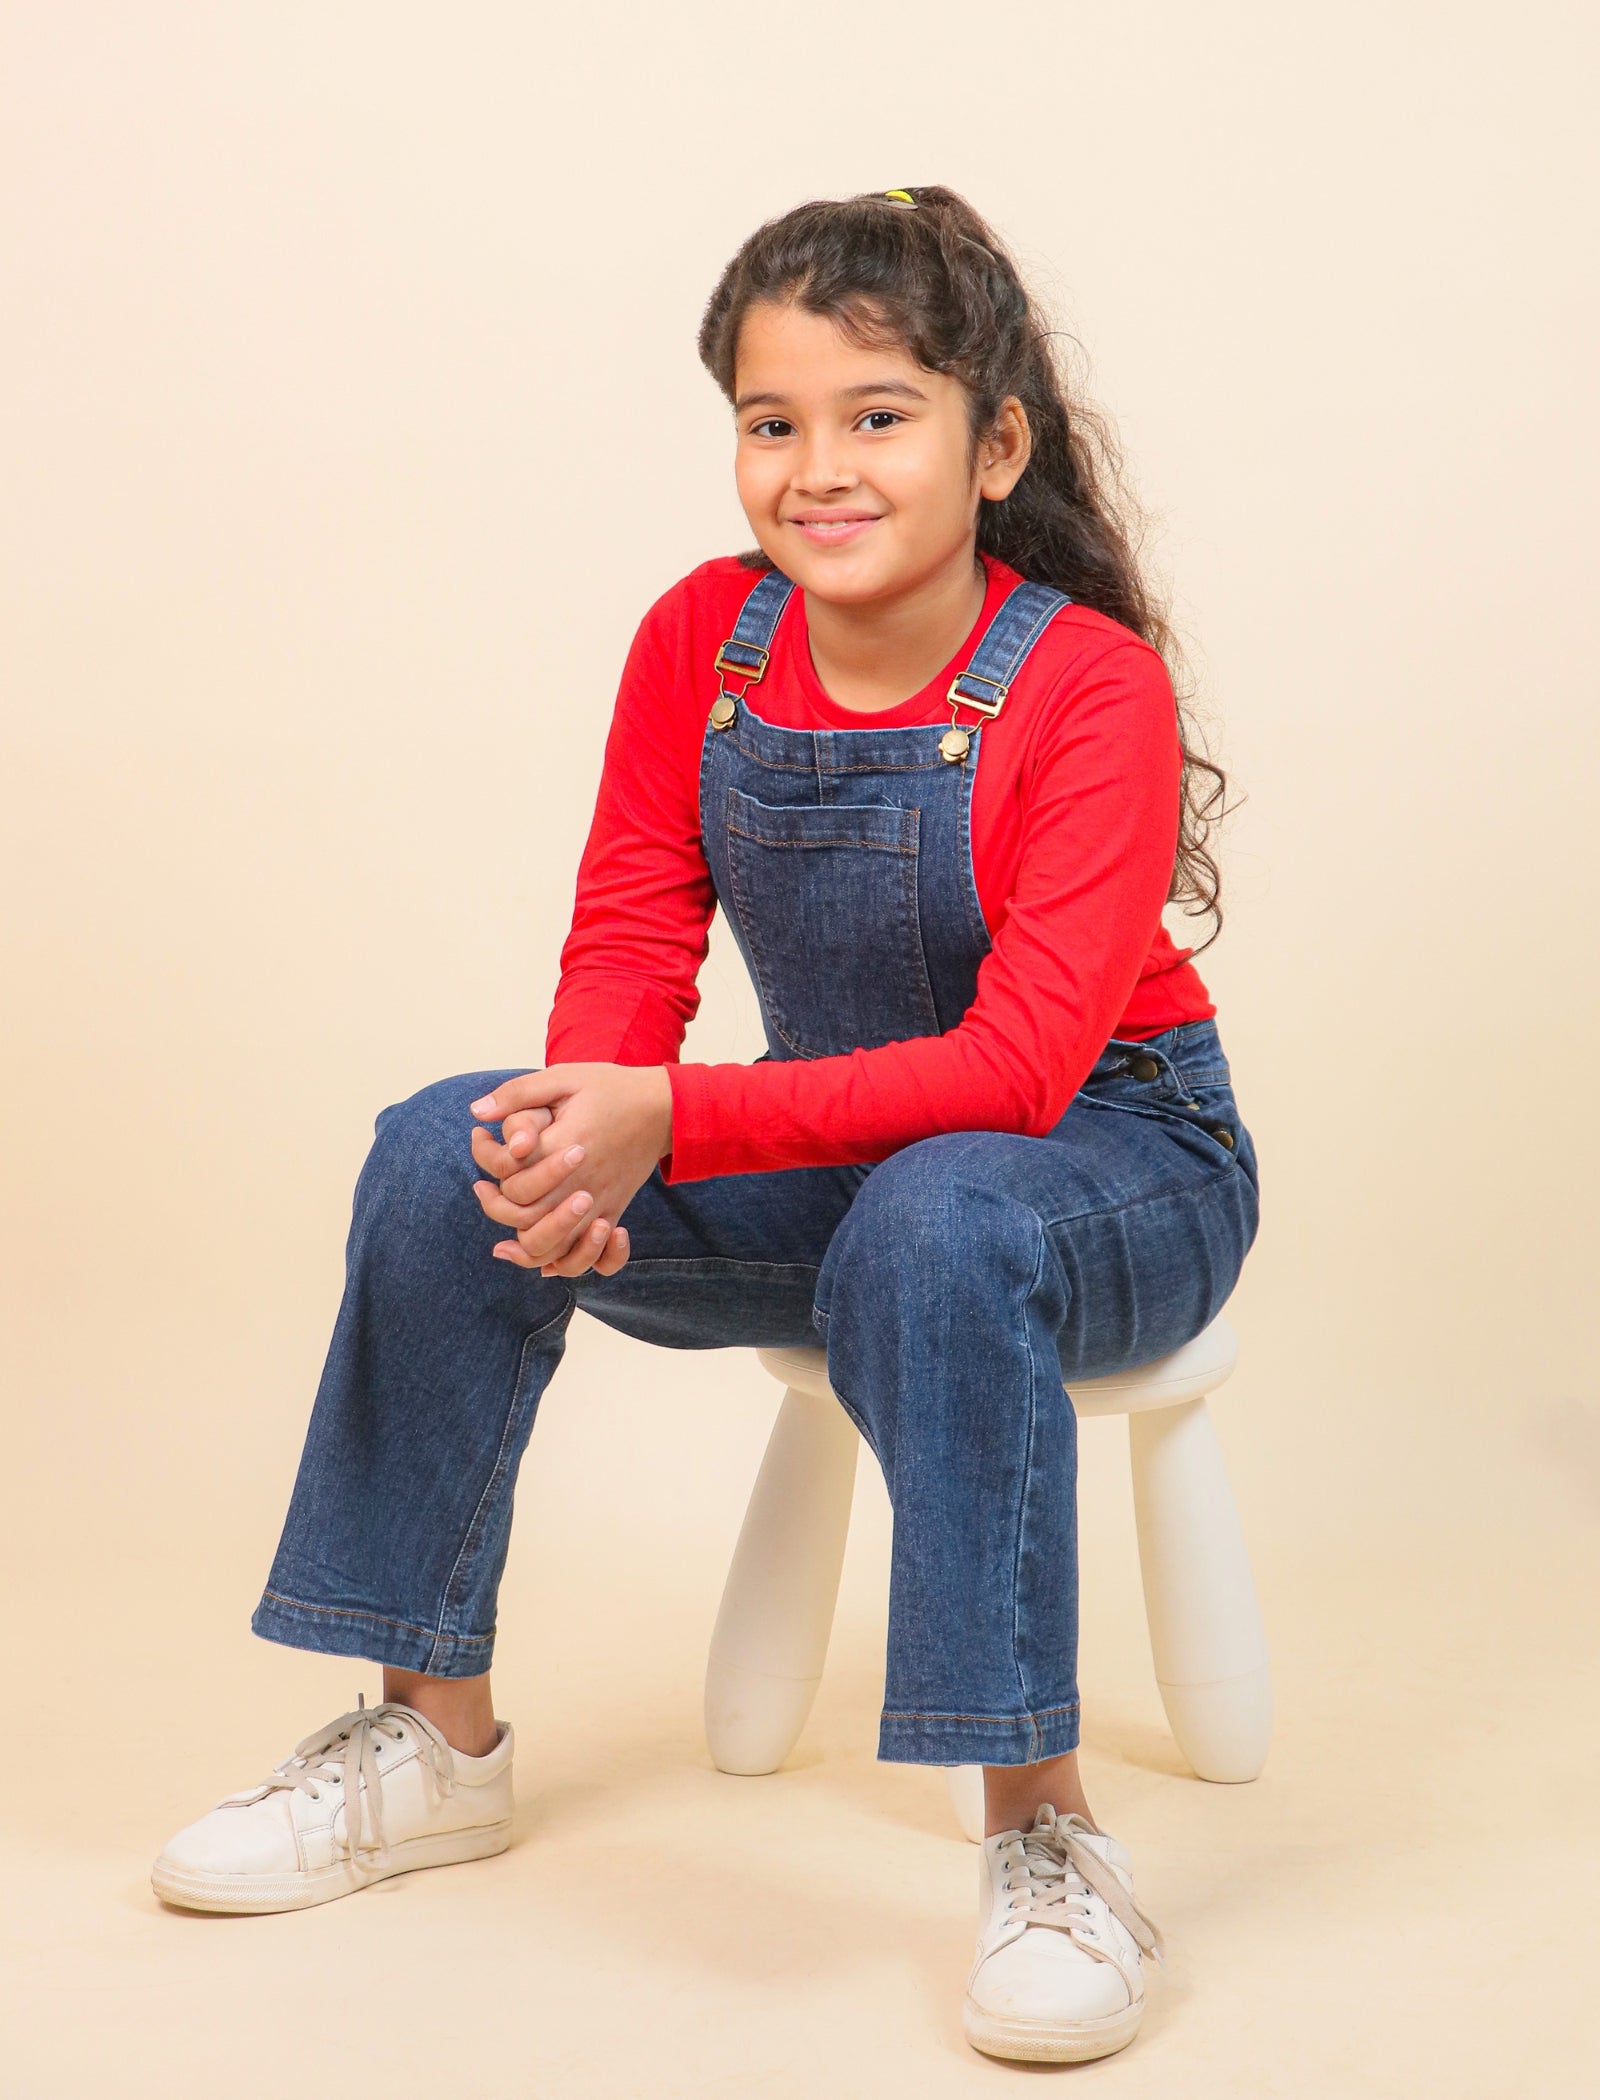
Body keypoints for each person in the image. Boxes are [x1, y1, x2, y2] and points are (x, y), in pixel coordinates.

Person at [152, 185, 1260, 2066]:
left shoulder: (1087, 688)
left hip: (1105, 1167)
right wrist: (588, 1127)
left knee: (947, 1215)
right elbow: (635, 921)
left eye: (878, 415)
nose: (817, 469)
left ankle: (1045, 1830)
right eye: (772, 422)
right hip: (841, 1158)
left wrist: (672, 1117)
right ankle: (433, 1733)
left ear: (997, 444)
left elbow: (1007, 1077)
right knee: (451, 1147)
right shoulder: (702, 640)